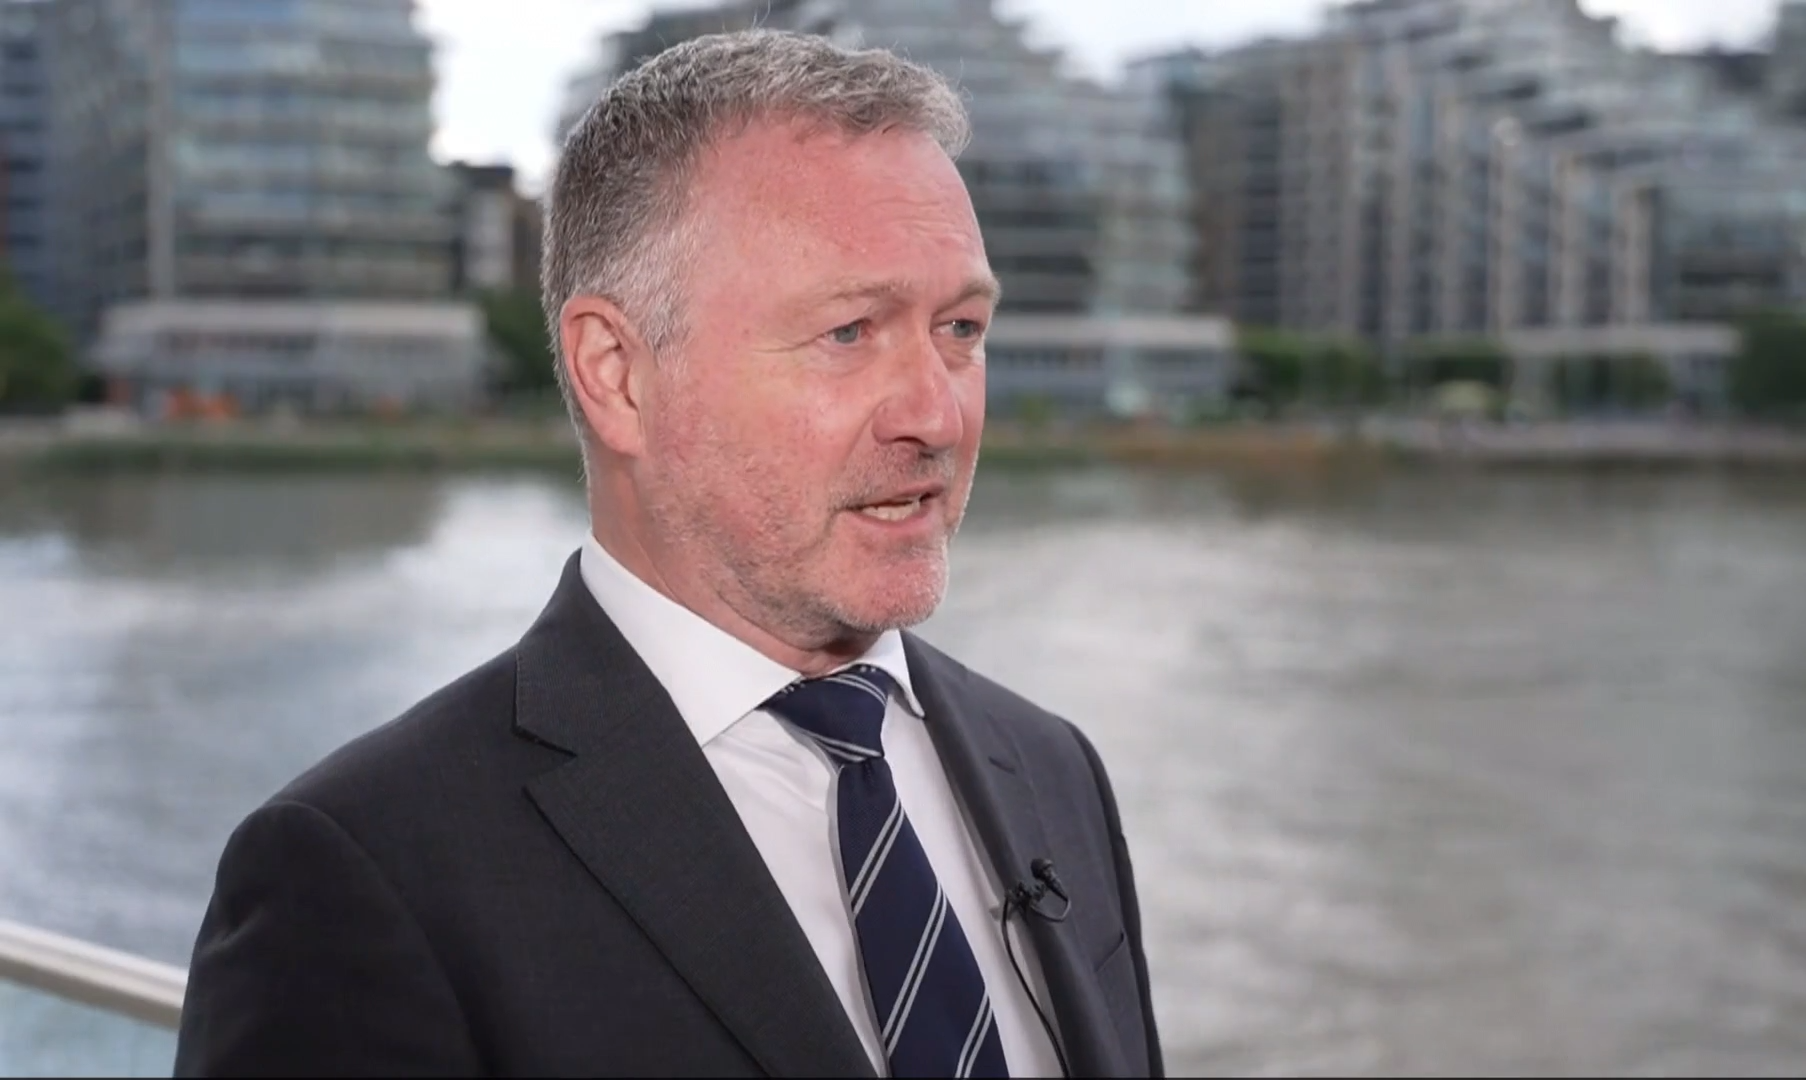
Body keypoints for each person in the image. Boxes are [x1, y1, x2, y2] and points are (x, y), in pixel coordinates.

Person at [173, 28, 1161, 1079]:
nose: (936, 413)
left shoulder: (1053, 767)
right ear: (616, 373)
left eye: (960, 329)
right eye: (848, 333)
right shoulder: (361, 873)